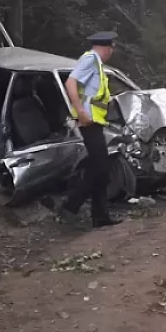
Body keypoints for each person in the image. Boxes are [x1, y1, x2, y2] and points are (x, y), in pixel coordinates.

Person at [55, 31, 123, 228]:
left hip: (95, 122)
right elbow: (70, 82)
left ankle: (99, 216)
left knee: (100, 168)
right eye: (112, 47)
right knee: (100, 167)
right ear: (106, 47)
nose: (112, 51)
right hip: (88, 122)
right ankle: (70, 206)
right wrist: (80, 111)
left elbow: (95, 94)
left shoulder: (96, 64)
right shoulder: (90, 59)